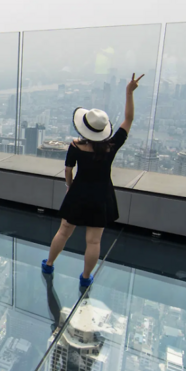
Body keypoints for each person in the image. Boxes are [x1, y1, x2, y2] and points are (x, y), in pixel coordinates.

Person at [42, 73, 144, 292]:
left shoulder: (76, 146)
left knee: (63, 232)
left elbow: (68, 170)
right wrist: (129, 92)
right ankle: (86, 277)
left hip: (78, 193)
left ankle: (49, 265)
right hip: (101, 196)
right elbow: (128, 120)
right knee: (94, 241)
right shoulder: (111, 146)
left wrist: (69, 186)